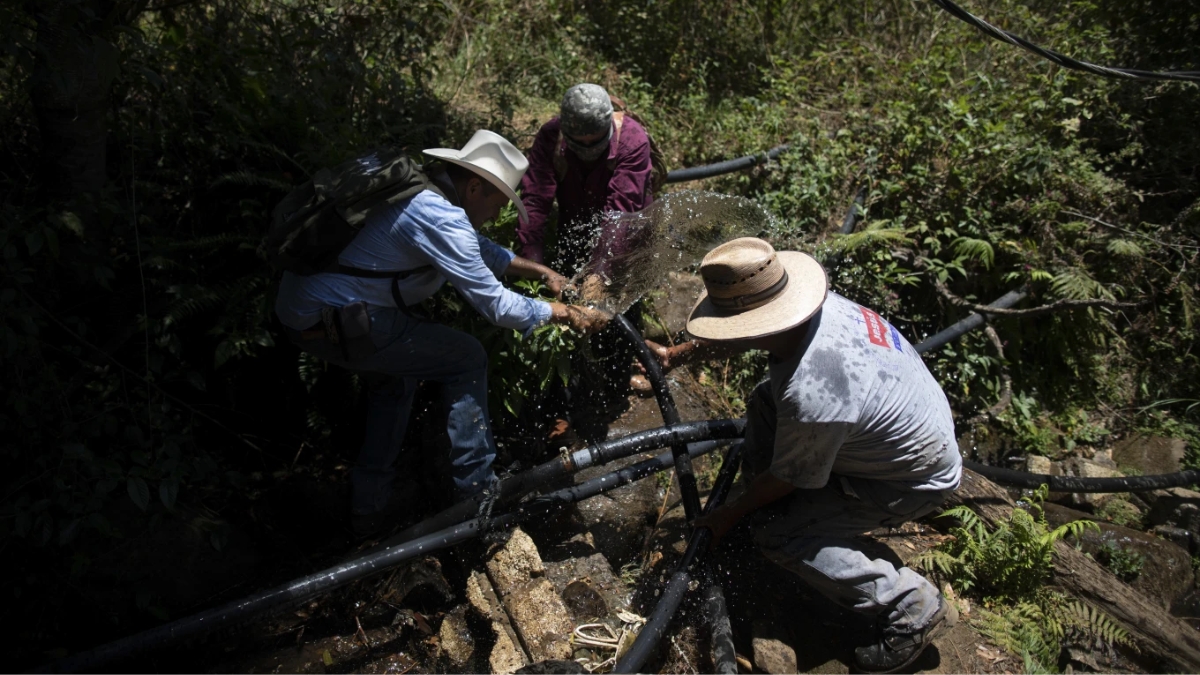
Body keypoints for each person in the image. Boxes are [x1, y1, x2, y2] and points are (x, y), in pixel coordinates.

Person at [274, 130, 609, 536]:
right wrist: (563, 312)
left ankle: (368, 509)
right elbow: (498, 308)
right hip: (331, 320)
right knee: (465, 358)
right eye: (498, 204)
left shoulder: (423, 191)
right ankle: (478, 499)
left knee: (396, 382)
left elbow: (479, 248)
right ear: (473, 186)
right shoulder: (439, 216)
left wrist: (542, 272)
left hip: (308, 309)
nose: (494, 215)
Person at [687, 238, 962, 673]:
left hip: (906, 482)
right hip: (908, 432)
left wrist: (732, 513)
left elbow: (788, 477)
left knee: (778, 534)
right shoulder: (826, 310)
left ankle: (910, 605)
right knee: (765, 401)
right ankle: (779, 513)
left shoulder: (814, 389)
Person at [517, 82, 655, 284]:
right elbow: (535, 202)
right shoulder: (551, 137)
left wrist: (599, 276)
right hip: (574, 223)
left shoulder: (632, 140)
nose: (588, 148)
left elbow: (621, 214)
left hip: (626, 236)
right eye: (580, 142)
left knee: (623, 291)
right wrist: (535, 269)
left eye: (596, 141)